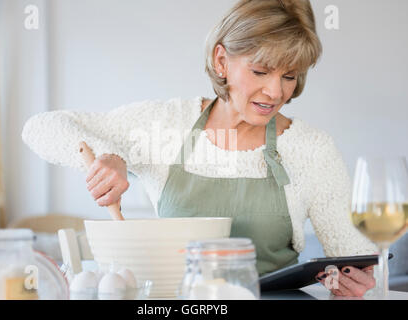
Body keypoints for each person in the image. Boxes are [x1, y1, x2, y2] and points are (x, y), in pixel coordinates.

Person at [22, 0, 378, 297]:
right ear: (221, 61)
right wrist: (106, 156)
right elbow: (40, 126)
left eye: (289, 76)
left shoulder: (311, 148)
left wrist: (354, 285)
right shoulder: (165, 123)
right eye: (260, 71)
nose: (275, 92)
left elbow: (357, 261)